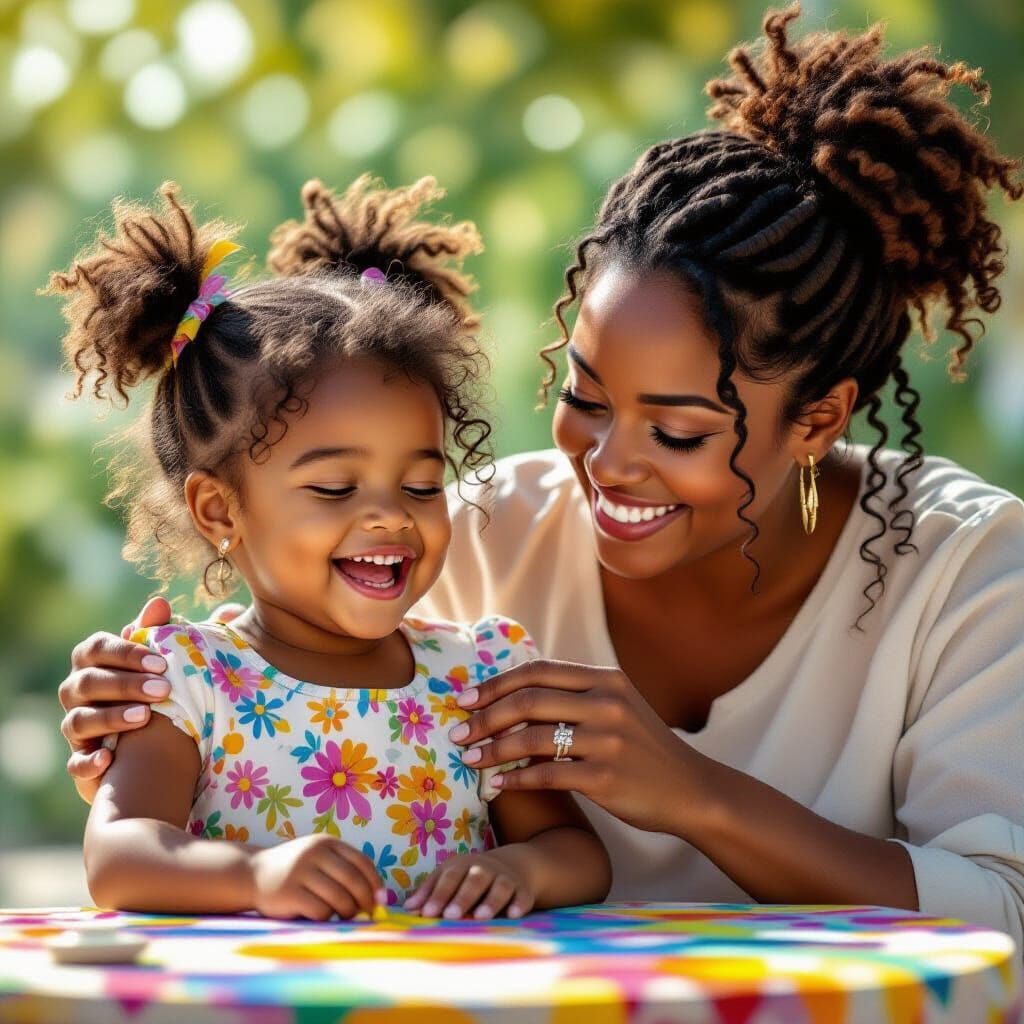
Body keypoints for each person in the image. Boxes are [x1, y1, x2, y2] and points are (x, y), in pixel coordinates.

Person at [57, 5, 1024, 944]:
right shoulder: (473, 533)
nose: (604, 464)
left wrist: (693, 796)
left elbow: (1007, 918)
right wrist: (135, 718)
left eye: (678, 432)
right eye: (588, 395)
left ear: (817, 419)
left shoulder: (963, 570)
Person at [43, 175, 611, 921]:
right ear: (220, 510)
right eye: (335, 489)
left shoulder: (481, 678)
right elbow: (119, 856)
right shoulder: (187, 682)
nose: (388, 518)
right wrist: (254, 876)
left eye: (418, 484)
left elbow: (576, 855)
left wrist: (521, 872)